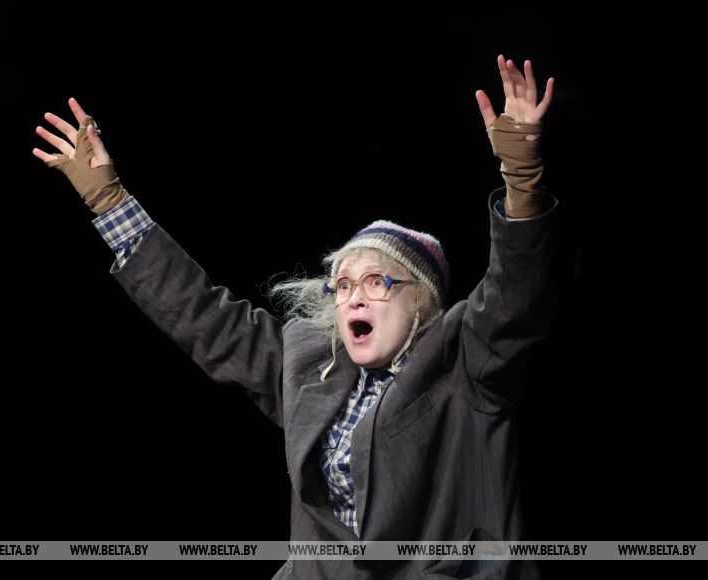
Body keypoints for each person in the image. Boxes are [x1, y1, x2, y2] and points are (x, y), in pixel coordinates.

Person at [33, 54, 558, 579]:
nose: (354, 298)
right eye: (344, 285)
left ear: (421, 301)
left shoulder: (464, 363)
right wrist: (109, 199)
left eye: (377, 282)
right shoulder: (308, 367)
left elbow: (513, 294)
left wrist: (521, 178)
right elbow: (205, 317)